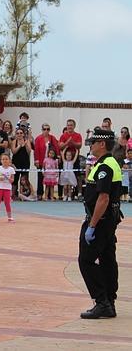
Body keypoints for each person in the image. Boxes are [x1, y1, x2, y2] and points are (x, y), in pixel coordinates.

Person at [78, 129, 122, 319]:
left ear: (102, 144)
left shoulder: (105, 166)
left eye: (93, 142)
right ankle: (109, 302)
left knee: (86, 260)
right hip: (108, 220)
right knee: (106, 260)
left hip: (101, 221)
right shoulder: (108, 163)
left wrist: (92, 226)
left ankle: (101, 301)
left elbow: (103, 198)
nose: (91, 145)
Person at [34, 123, 60, 199]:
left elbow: (56, 147)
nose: (46, 131)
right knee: (40, 178)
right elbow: (36, 150)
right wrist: (36, 160)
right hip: (42, 161)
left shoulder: (52, 138)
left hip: (51, 162)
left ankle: (49, 195)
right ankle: (40, 194)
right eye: (44, 129)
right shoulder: (38, 138)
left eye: (48, 129)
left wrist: (58, 156)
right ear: (42, 130)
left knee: (50, 178)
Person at [59, 119, 83, 198]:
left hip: (75, 159)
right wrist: (67, 142)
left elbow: (79, 145)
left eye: (71, 125)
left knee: (78, 176)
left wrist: (72, 142)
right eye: (68, 125)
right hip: (65, 159)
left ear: (74, 126)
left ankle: (78, 193)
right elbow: (60, 146)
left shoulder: (78, 135)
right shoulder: (63, 136)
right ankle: (63, 195)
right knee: (64, 176)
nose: (69, 127)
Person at [0, 154, 15, 223]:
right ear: (1, 160)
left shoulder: (11, 169)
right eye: (3, 159)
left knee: (7, 203)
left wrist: (8, 178)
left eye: (6, 159)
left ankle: (9, 217)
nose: (5, 161)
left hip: (7, 188)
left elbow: (12, 180)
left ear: (9, 160)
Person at [11, 127, 33, 199]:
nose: (19, 135)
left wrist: (25, 144)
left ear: (23, 134)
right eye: (17, 133)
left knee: (25, 179)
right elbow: (13, 151)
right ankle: (13, 195)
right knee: (15, 179)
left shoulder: (27, 141)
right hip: (16, 162)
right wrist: (20, 145)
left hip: (25, 162)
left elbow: (29, 151)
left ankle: (26, 194)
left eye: (21, 133)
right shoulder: (14, 141)